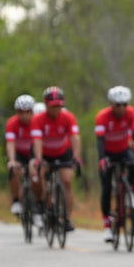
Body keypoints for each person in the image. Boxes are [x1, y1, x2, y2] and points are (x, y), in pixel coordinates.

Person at [30, 86, 82, 232]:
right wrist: (39, 159)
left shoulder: (68, 117)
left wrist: (76, 157)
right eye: (53, 106)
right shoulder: (38, 119)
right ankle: (40, 202)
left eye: (59, 106)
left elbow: (75, 137)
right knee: (38, 174)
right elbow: (37, 140)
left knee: (67, 181)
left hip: (62, 151)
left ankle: (67, 218)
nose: (56, 109)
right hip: (44, 153)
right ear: (46, 105)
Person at [95, 85, 134, 242]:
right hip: (108, 152)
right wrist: (102, 159)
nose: (121, 108)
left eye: (125, 104)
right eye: (118, 105)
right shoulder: (102, 116)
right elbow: (100, 141)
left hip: (124, 149)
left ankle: (131, 192)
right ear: (111, 104)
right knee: (106, 187)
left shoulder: (131, 113)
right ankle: (107, 226)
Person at [5, 94, 36, 216]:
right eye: (21, 112)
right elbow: (10, 143)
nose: (24, 115)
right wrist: (12, 160)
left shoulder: (37, 121)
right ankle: (16, 200)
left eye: (27, 112)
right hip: (19, 153)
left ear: (32, 111)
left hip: (34, 153)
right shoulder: (12, 123)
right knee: (13, 170)